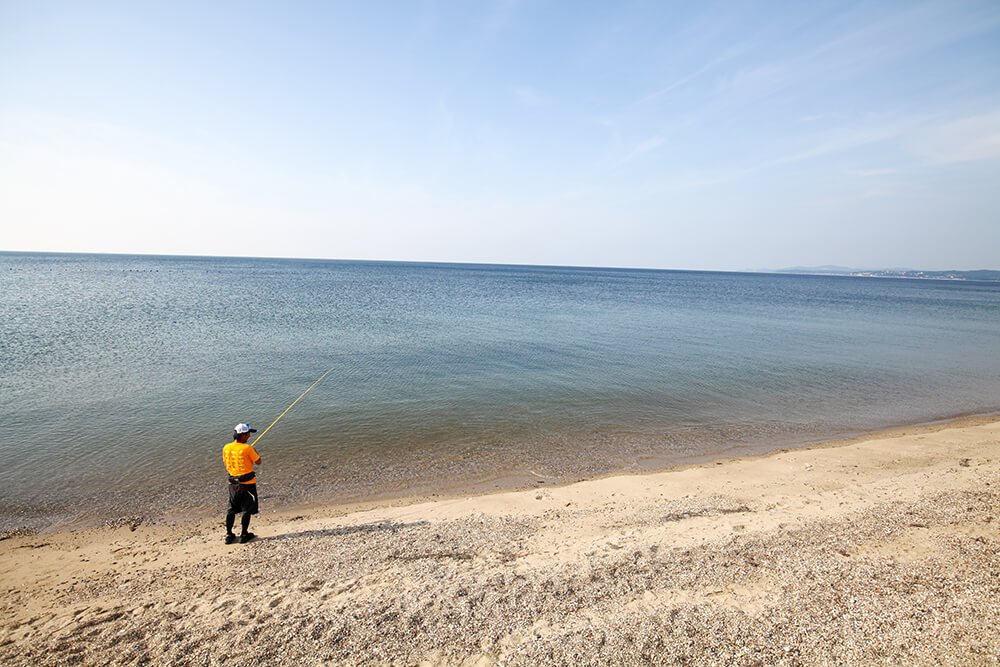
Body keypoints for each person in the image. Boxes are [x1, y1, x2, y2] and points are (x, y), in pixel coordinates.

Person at [223, 423, 262, 544]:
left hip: (232, 484)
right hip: (247, 484)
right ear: (243, 435)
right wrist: (253, 450)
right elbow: (258, 461)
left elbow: (226, 463)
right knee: (246, 509)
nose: (250, 435)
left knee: (231, 509)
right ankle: (244, 534)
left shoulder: (226, 448)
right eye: (248, 433)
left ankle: (229, 535)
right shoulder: (248, 448)